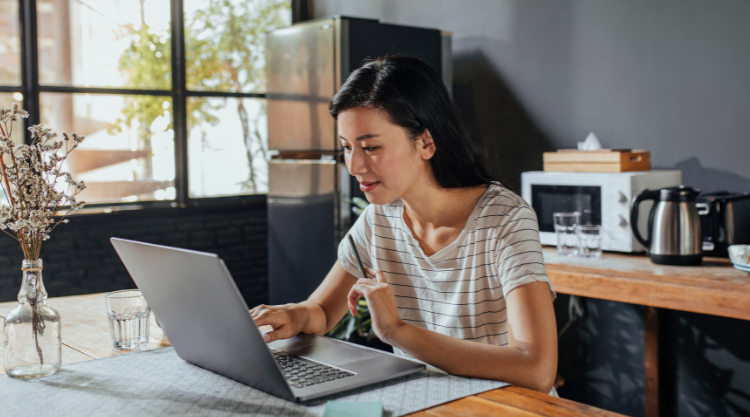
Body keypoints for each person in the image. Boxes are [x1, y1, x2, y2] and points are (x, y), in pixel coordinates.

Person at [251, 55, 557, 393]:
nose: (353, 165)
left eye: (370, 147)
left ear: (425, 142)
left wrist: (397, 330)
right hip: (426, 401)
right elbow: (322, 311)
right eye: (346, 148)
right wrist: (295, 315)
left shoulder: (505, 220)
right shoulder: (378, 220)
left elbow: (536, 369)